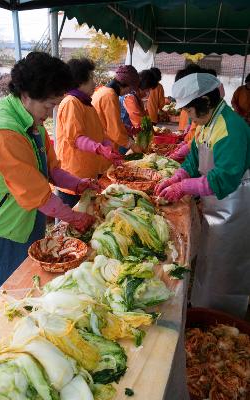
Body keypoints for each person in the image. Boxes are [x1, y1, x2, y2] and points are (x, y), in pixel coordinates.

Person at [0, 52, 96, 301]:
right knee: (1, 297)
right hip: (2, 228)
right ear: (26, 95)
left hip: (26, 221)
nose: (50, 112)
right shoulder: (4, 129)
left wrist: (78, 183)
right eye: (49, 105)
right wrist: (76, 218)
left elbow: (52, 169)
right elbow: (38, 194)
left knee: (25, 287)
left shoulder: (30, 119)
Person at [154, 72, 250, 318]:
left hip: (236, 203)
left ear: (205, 103)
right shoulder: (206, 124)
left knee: (226, 263)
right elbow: (195, 158)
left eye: (190, 111)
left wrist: (184, 188)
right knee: (208, 257)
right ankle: (202, 304)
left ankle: (223, 314)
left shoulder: (230, 128)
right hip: (216, 200)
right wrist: (178, 177)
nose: (190, 118)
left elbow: (224, 178)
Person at [56, 58, 122, 208]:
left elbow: (99, 134)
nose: (94, 83)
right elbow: (76, 138)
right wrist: (100, 149)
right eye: (91, 78)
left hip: (88, 175)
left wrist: (109, 148)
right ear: (80, 81)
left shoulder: (87, 104)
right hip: (73, 177)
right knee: (72, 222)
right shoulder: (71, 102)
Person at [92, 65, 141, 153]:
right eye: (130, 89)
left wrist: (128, 129)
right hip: (104, 147)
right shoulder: (110, 96)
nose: (129, 92)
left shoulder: (103, 90)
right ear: (124, 85)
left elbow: (111, 121)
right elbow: (114, 131)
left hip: (100, 143)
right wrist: (132, 144)